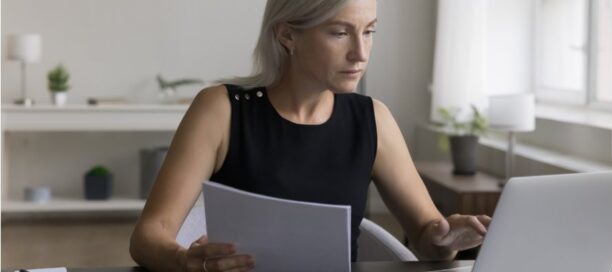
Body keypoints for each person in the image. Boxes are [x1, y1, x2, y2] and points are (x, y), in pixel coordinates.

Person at [129, 0, 491, 271]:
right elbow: (148, 235)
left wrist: (447, 238)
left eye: (369, 31)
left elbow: (430, 239)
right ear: (287, 34)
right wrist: (185, 261)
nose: (360, 53)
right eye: (339, 32)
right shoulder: (220, 110)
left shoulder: (373, 119)